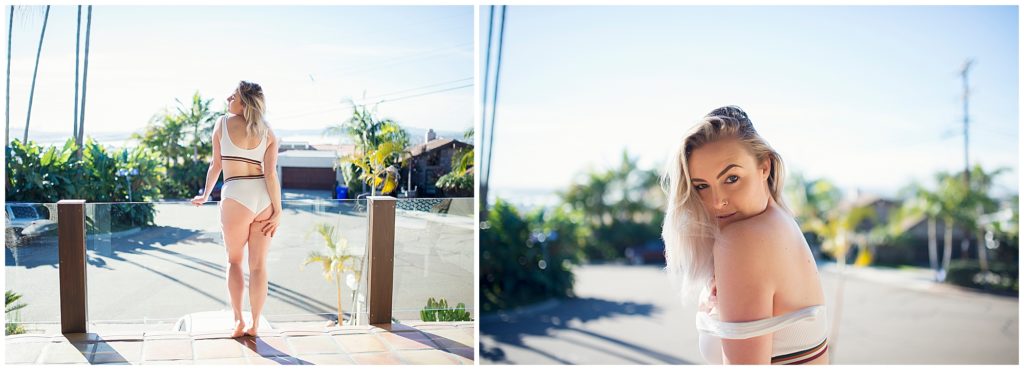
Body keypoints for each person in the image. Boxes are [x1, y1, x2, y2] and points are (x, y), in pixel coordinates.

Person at [662, 106, 830, 364]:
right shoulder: (780, 223)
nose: (717, 202)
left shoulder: (744, 240)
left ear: (765, 166)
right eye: (702, 186)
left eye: (731, 178)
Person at [191, 80, 282, 338]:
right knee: (259, 266)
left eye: (232, 97)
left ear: (243, 103)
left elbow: (216, 165)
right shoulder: (269, 132)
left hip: (236, 196)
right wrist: (278, 210)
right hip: (264, 198)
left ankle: (239, 321)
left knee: (234, 261)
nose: (227, 99)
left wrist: (205, 194)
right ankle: (255, 324)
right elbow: (271, 175)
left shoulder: (221, 124)